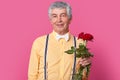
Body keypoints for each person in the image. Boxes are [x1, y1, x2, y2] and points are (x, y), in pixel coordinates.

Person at [28, 1, 91, 80]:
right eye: (54, 16)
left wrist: (86, 67)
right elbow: (32, 75)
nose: (59, 20)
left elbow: (83, 77)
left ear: (70, 19)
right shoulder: (39, 43)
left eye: (63, 15)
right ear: (50, 20)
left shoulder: (80, 44)